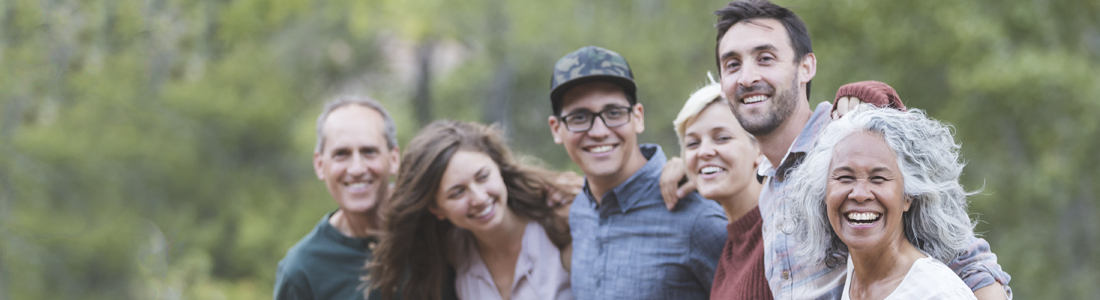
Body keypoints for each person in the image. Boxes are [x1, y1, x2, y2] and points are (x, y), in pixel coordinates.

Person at [699, 0, 1011, 298]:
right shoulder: (769, 185)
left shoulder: (851, 143)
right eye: (732, 64)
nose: (748, 77)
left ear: (806, 67)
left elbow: (969, 263)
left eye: (765, 58)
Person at [546, 45, 728, 299]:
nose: (598, 131)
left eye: (613, 113)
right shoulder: (579, 211)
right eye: (579, 117)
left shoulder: (696, 214)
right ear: (556, 129)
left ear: (638, 117)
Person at [784, 106, 979, 299]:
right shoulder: (854, 277)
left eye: (878, 178)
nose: (860, 194)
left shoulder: (938, 293)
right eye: (845, 177)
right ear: (824, 193)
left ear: (908, 196)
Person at [369, 120, 575, 300]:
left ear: (498, 167)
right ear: (436, 209)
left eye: (483, 177)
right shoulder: (453, 249)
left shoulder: (559, 224)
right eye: (457, 193)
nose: (479, 198)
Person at [274, 96, 407, 300]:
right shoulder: (303, 271)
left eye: (369, 152)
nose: (356, 169)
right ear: (319, 165)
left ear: (394, 159)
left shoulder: (436, 226)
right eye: (341, 154)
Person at [671, 79, 771, 300]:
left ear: (760, 150)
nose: (703, 152)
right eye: (692, 143)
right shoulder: (732, 246)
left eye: (722, 138)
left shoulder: (785, 230)